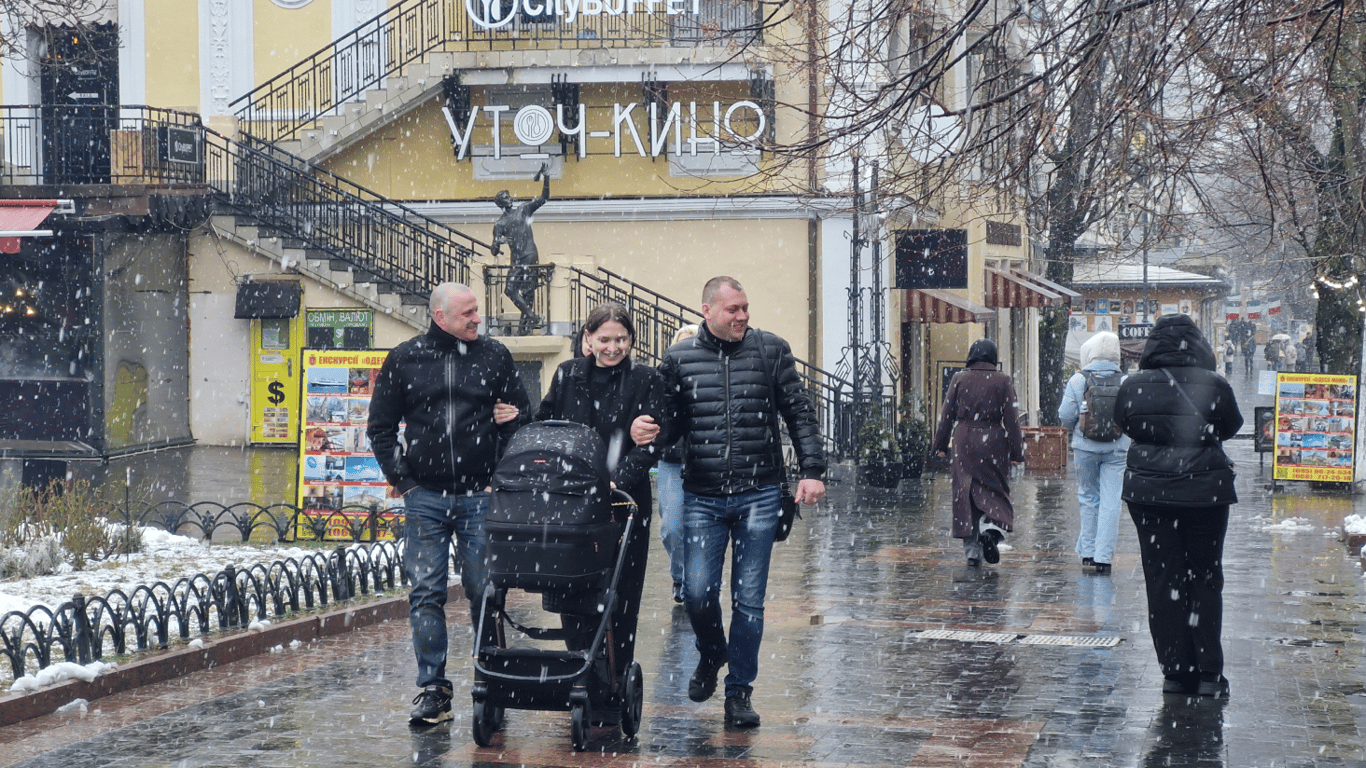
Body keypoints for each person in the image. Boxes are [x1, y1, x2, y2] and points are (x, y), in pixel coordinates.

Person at [647, 276, 826, 729]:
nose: (743, 316)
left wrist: (812, 470)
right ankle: (712, 654)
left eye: (746, 307)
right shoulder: (678, 359)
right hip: (702, 494)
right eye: (733, 309)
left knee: (749, 601)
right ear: (707, 310)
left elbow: (798, 410)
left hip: (760, 492)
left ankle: (739, 692)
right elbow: (666, 429)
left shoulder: (771, 350)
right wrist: (639, 433)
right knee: (696, 593)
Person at [366, 282, 533, 726]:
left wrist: (504, 463)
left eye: (477, 311)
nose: (478, 319)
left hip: (482, 495)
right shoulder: (405, 358)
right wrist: (405, 483)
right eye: (468, 313)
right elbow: (380, 428)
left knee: (485, 589)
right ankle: (433, 689)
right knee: (426, 592)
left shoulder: (494, 355)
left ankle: (490, 676)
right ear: (440, 317)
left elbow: (524, 418)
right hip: (426, 498)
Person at [534, 302, 667, 693]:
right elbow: (547, 424)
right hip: (572, 498)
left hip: (625, 499)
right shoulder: (567, 375)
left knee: (623, 588)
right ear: (587, 339)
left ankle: (616, 673)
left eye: (621, 339)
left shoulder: (646, 379)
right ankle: (582, 670)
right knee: (573, 583)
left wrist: (616, 481)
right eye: (605, 339)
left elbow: (651, 443)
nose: (613, 347)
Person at [1113, 313, 1241, 699]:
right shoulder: (1214, 385)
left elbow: (1125, 423)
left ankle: (1175, 670)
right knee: (1204, 575)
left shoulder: (1133, 385)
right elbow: (1231, 426)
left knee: (1163, 578)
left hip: (1149, 493)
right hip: (1205, 491)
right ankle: (1208, 671)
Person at [931, 339, 1025, 567]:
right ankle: (991, 531)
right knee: (995, 491)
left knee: (966, 494)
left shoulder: (959, 378)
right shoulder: (1002, 380)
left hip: (963, 440)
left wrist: (940, 446)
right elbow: (1012, 419)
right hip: (993, 440)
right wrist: (1016, 451)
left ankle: (972, 552)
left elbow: (946, 415)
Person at [1058, 332, 1129, 574]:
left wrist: (1077, 426)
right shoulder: (1126, 381)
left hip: (1085, 447)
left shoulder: (1078, 380)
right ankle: (1103, 557)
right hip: (1117, 449)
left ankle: (1087, 553)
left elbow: (1065, 416)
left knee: (1088, 497)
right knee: (1111, 501)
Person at [656, 323, 699, 604]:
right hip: (671, 462)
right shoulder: (663, 382)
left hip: (704, 463)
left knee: (702, 528)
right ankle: (680, 576)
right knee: (672, 527)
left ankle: (697, 582)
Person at [491, 163, 550, 333]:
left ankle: (524, 328)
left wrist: (546, 177)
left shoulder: (523, 210)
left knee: (528, 292)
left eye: (508, 196)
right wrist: (498, 243)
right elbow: (493, 250)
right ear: (500, 204)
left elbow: (544, 198)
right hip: (516, 259)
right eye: (504, 198)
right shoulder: (499, 224)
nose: (508, 199)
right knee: (510, 290)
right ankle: (531, 316)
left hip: (530, 254)